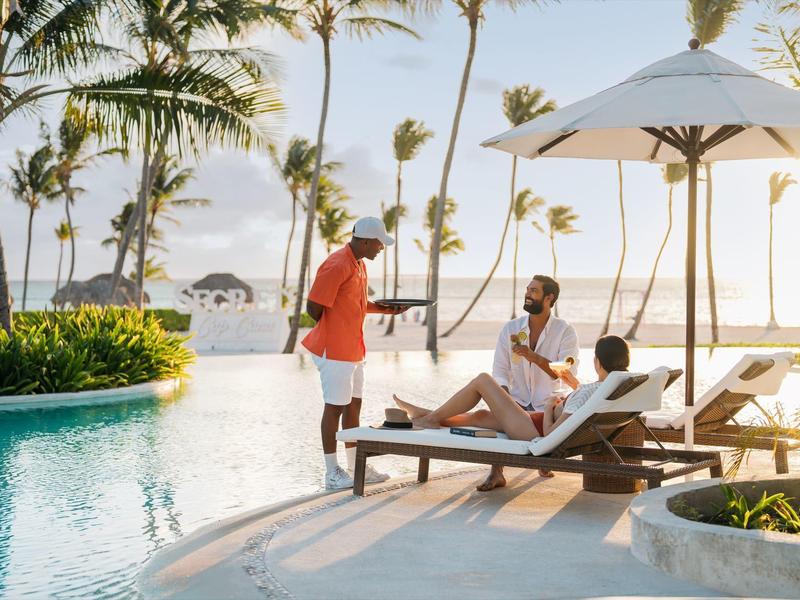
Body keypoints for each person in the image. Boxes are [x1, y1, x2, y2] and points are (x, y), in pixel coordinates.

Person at [392, 335, 631, 468]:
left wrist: (550, 407)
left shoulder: (588, 392)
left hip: (533, 430)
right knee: (480, 417)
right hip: (533, 421)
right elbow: (583, 403)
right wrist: (571, 389)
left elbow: (550, 435)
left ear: (597, 362)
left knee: (483, 381)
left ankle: (430, 418)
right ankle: (426, 415)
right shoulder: (617, 386)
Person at [302, 216, 409, 490]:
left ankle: (355, 466)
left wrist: (386, 309)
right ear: (365, 241)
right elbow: (313, 307)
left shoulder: (359, 264)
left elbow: (356, 302)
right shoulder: (337, 264)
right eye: (379, 243)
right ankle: (332, 473)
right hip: (334, 350)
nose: (381, 248)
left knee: (353, 406)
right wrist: (335, 326)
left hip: (354, 350)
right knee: (334, 408)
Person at [478, 275, 579, 490]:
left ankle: (543, 459)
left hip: (549, 406)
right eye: (527, 289)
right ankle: (496, 473)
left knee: (541, 416)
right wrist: (503, 398)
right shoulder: (511, 329)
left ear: (549, 298)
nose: (527, 294)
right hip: (517, 401)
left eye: (534, 291)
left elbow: (566, 373)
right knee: (495, 415)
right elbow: (500, 370)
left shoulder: (565, 331)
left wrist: (534, 357)